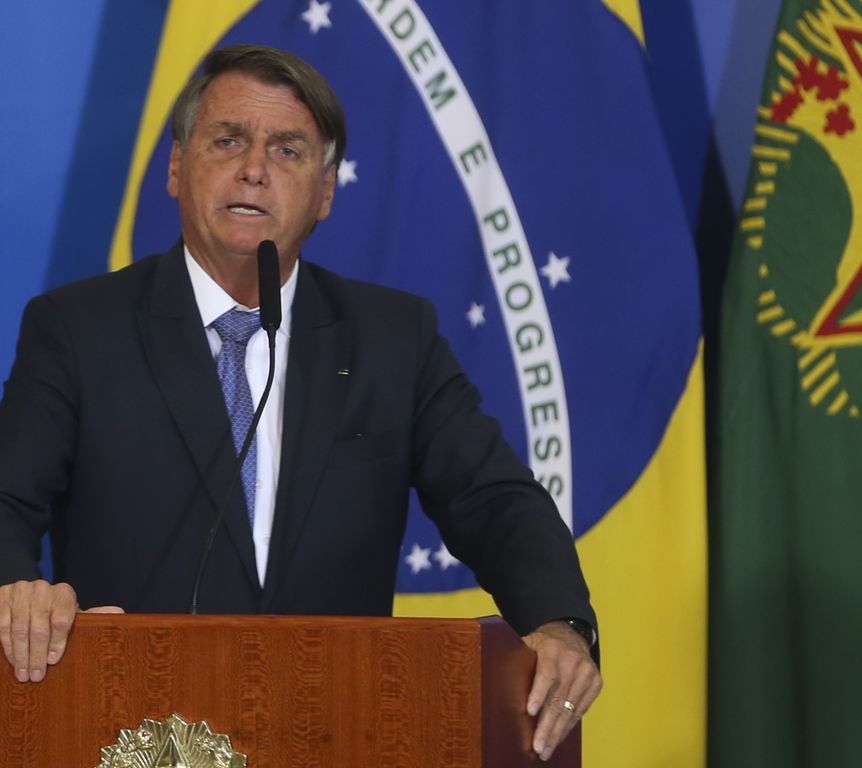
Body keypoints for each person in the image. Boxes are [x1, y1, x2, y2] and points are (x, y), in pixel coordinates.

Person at [0, 45, 600, 761]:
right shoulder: (78, 329)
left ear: (325, 192)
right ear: (174, 166)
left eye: (287, 149)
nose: (253, 167)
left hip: (334, 725)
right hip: (136, 731)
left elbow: (495, 499)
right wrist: (17, 591)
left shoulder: (390, 339)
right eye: (228, 140)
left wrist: (559, 623)